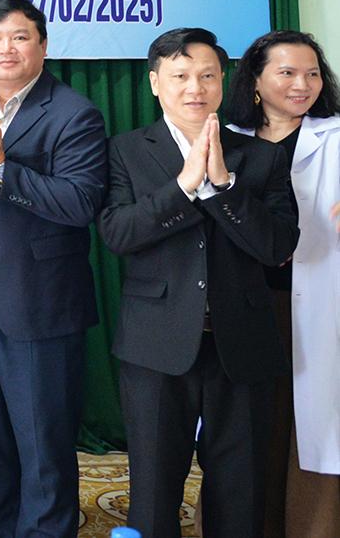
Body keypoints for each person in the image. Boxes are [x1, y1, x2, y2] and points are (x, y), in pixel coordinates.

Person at [99, 27, 299, 538]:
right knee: (153, 487)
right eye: (181, 76)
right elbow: (119, 233)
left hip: (242, 346)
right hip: (156, 345)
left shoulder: (259, 156)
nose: (195, 88)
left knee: (240, 486)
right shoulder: (126, 150)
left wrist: (223, 188)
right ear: (154, 83)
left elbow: (277, 247)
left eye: (207, 75)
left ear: (223, 80)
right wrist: (186, 186)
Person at [0, 0, 107, 538]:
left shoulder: (74, 112)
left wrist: (2, 169)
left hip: (39, 305)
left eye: (19, 37)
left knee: (43, 446)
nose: (6, 48)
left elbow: (80, 204)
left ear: (43, 45)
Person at [228, 29, 340, 538]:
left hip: (320, 303)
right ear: (255, 79)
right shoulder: (227, 137)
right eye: (288, 72)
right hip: (250, 303)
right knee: (251, 427)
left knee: (313, 426)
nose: (303, 84)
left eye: (313, 73)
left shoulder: (335, 135)